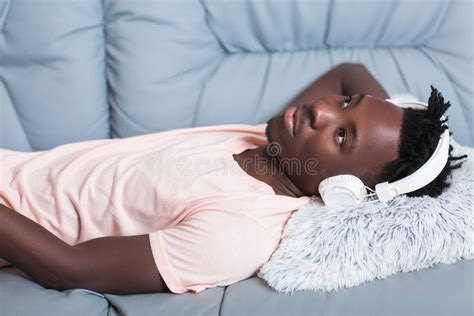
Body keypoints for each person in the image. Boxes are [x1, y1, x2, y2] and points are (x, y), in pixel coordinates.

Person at [0, 63, 465, 295]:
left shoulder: (238, 230)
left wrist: (383, 160)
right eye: (346, 106)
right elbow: (348, 73)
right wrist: (398, 134)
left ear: (341, 191)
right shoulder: (276, 142)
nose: (320, 109)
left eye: (342, 136)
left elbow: (71, 268)